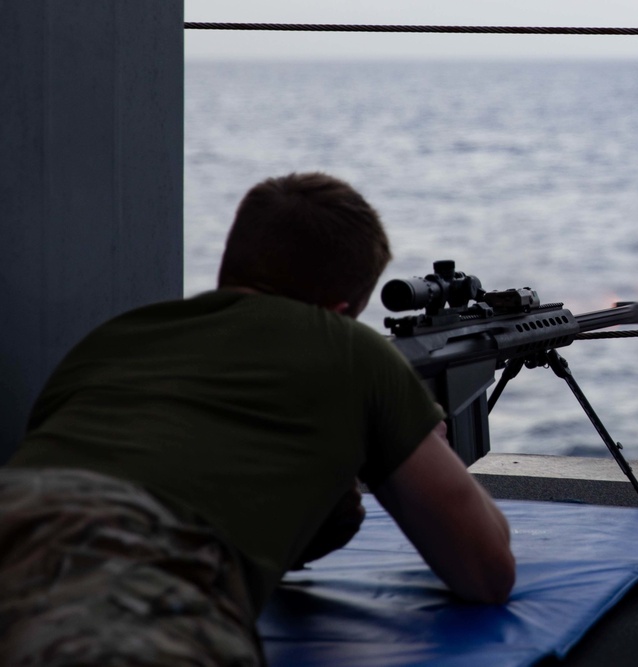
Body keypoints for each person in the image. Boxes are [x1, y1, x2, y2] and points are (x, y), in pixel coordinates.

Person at [0, 172, 515, 666]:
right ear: (339, 311)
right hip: (133, 584)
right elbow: (486, 571)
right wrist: (404, 440)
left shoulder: (110, 339)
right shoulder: (346, 347)